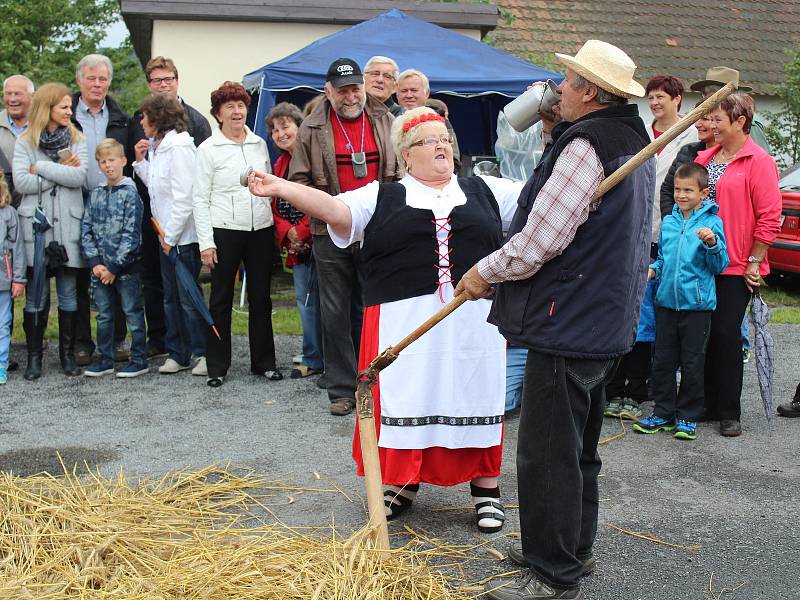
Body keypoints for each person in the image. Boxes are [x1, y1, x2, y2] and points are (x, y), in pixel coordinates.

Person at [248, 105, 524, 533]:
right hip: (402, 322)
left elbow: (538, 200)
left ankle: (486, 489)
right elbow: (334, 210)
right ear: (405, 154)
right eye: (429, 140)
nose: (441, 146)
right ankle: (404, 481)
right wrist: (281, 186)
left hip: (474, 322)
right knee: (407, 399)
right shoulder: (381, 195)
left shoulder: (486, 189)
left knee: (476, 395)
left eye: (445, 139)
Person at [456, 40, 655, 599]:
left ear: (590, 91)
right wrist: (554, 135)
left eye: (567, 81)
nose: (557, 88)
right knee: (578, 449)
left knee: (547, 455)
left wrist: (485, 273)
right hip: (604, 317)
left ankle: (552, 573)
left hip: (566, 318)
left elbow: (542, 238)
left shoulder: (588, 144)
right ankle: (570, 550)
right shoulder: (636, 139)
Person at [288, 57, 397, 416]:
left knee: (372, 308)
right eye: (343, 89)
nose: (351, 96)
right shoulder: (311, 127)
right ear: (328, 91)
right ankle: (341, 389)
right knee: (333, 312)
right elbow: (298, 181)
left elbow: (400, 172)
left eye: (356, 88)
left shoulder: (385, 119)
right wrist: (327, 210)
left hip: (375, 231)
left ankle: (374, 380)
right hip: (329, 231)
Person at [605, 75, 698, 422]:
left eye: (661, 96)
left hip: (668, 232)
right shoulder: (641, 131)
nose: (655, 102)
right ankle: (619, 385)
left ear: (677, 99)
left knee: (655, 313)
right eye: (651, 97)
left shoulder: (690, 135)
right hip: (635, 229)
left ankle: (642, 386)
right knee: (632, 309)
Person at [695, 93, 781, 437]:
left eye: (718, 120)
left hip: (737, 263)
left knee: (727, 333)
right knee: (705, 334)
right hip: (702, 260)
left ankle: (730, 411)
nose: (711, 126)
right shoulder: (707, 157)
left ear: (740, 121)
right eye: (710, 119)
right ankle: (709, 403)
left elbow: (770, 216)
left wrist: (755, 261)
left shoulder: (758, 161)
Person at [193, 82, 280, 387]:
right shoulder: (208, 149)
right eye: (229, 106)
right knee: (219, 299)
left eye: (241, 105)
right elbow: (199, 198)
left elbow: (270, 187)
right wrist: (206, 242)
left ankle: (264, 363)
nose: (236, 111)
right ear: (218, 114)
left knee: (261, 298)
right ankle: (217, 365)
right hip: (224, 231)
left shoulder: (258, 144)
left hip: (260, 229)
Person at [633, 163, 728, 441]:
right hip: (666, 303)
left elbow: (720, 265)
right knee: (662, 360)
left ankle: (687, 416)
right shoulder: (670, 222)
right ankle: (663, 412)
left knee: (692, 362)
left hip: (696, 307)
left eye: (688, 190)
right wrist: (652, 271)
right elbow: (662, 260)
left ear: (703, 193)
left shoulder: (712, 223)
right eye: (677, 189)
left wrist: (712, 244)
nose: (681, 195)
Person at [129, 56, 212, 361]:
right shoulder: (160, 147)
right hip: (165, 235)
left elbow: (185, 197)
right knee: (169, 298)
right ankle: (177, 354)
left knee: (188, 298)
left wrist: (171, 236)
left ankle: (202, 352)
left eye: (145, 117)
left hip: (181, 238)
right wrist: (140, 162)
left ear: (158, 119)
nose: (140, 122)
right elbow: (157, 187)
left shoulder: (179, 148)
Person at [13, 82, 88, 380]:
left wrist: (41, 168)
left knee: (69, 294)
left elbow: (79, 177)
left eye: (70, 106)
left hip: (68, 228)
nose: (70, 111)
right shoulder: (24, 142)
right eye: (64, 107)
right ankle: (34, 358)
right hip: (36, 229)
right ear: (48, 108)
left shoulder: (77, 138)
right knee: (37, 296)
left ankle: (67, 356)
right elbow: (21, 183)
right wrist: (59, 167)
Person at [71, 53, 130, 367]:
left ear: (109, 82)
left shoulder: (121, 117)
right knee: (81, 271)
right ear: (79, 79)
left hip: (113, 203)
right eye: (91, 78)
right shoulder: (64, 115)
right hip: (75, 200)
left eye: (103, 79)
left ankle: (118, 338)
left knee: (115, 270)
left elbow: (130, 158)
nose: (97, 84)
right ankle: (83, 343)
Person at [80, 138, 148, 378]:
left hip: (126, 268)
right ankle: (105, 359)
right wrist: (95, 263)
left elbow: (132, 235)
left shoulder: (131, 193)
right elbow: (86, 229)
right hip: (100, 269)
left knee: (132, 312)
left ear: (123, 161)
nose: (108, 165)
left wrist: (114, 267)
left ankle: (139, 358)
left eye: (112, 160)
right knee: (104, 314)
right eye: (103, 161)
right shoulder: (96, 194)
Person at [266, 101, 322, 380]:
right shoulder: (280, 163)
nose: (280, 133)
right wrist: (287, 231)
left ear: (300, 127)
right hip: (295, 243)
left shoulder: (312, 156)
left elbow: (320, 199)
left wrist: (301, 231)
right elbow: (276, 203)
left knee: (322, 302)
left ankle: (318, 357)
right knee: (305, 301)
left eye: (285, 126)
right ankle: (312, 356)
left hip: (317, 238)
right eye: (275, 129)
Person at [690, 66, 770, 151]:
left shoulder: (749, 121)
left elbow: (762, 156)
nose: (705, 100)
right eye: (704, 95)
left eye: (708, 95)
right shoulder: (708, 120)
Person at [397, 69, 461, 170]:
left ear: (426, 93)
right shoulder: (387, 119)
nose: (409, 95)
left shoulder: (440, 120)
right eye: (404, 91)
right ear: (397, 94)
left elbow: (454, 160)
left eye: (414, 90)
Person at [0, 171, 26, 384]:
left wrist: (18, 278)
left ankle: (1, 364)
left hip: (3, 280)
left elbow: (17, 249)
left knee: (3, 323)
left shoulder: (9, 214)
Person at [1, 75, 34, 206]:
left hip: (33, 203)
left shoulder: (43, 126)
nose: (12, 99)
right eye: (8, 94)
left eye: (18, 94)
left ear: (32, 96)